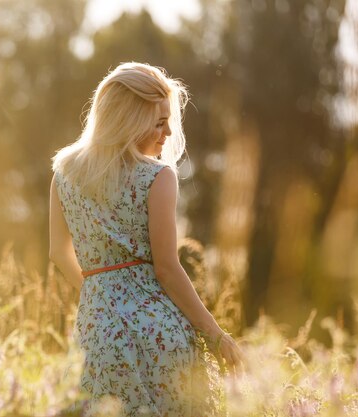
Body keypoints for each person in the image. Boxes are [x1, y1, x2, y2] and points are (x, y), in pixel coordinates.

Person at [49, 62, 243, 416]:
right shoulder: (158, 177)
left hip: (96, 336)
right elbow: (167, 269)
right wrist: (216, 335)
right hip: (160, 337)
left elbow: (59, 254)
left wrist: (103, 299)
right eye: (158, 122)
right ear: (128, 119)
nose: (168, 132)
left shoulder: (64, 173)